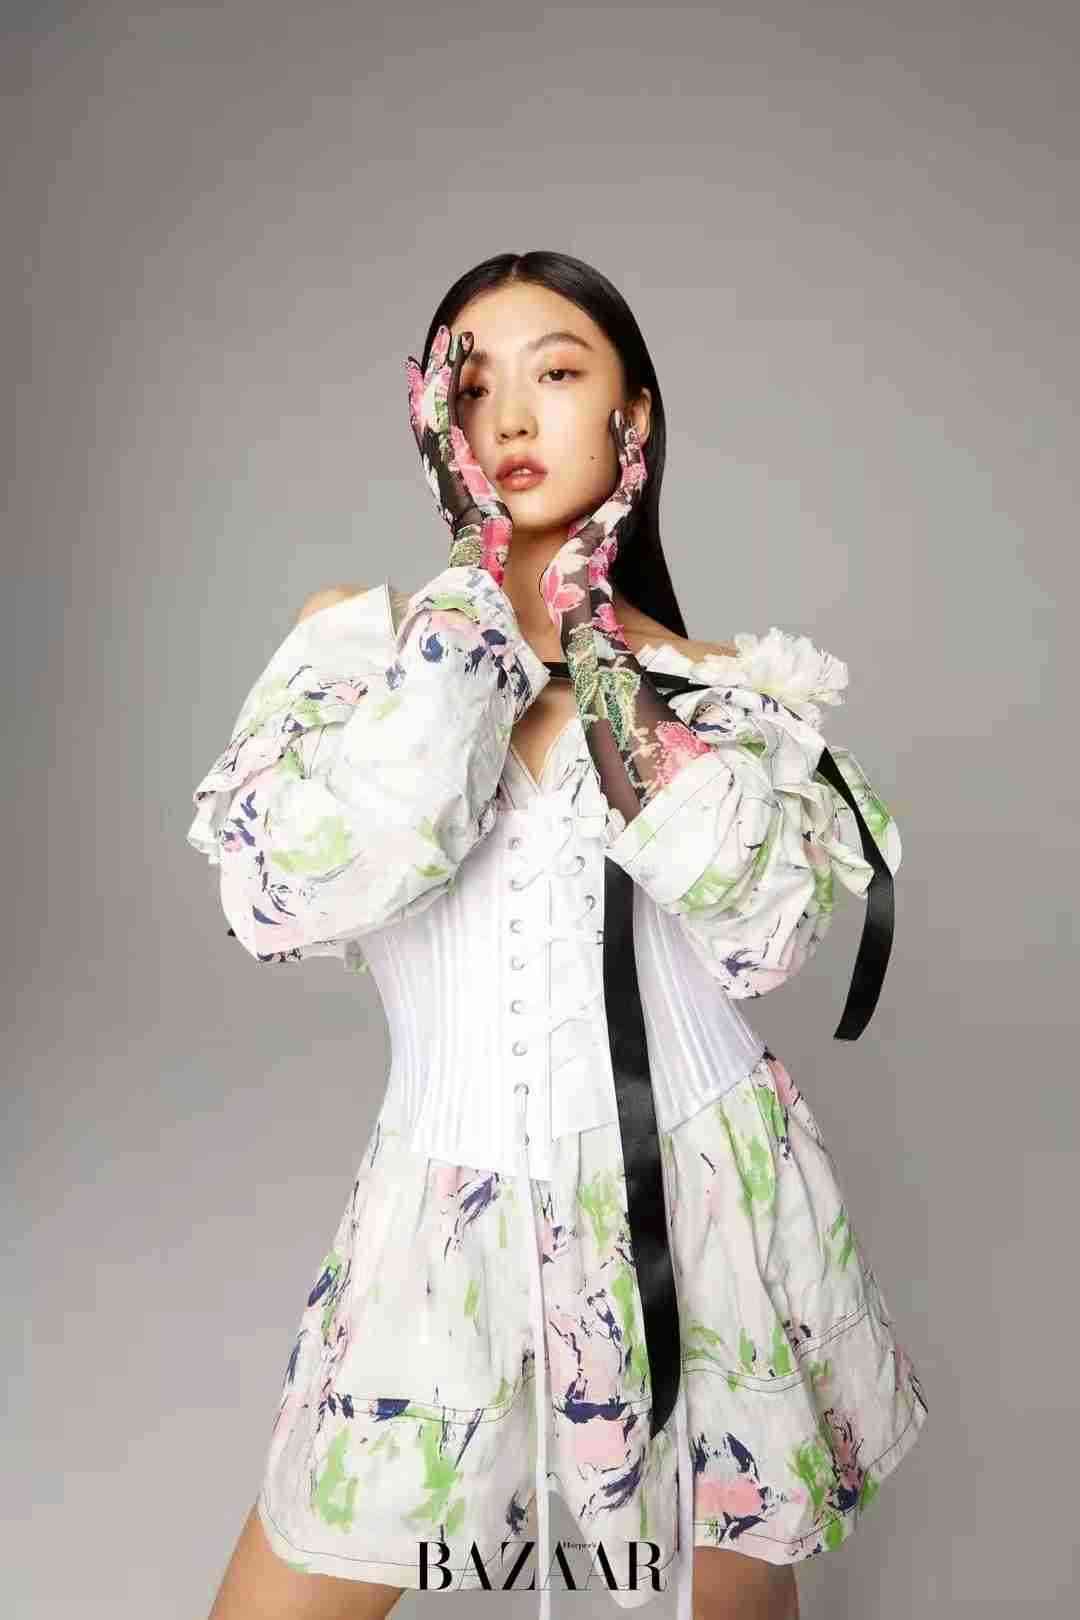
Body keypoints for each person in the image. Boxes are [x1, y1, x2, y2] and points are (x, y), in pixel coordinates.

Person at [188, 251, 928, 1620]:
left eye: (560, 373)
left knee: (727, 1601)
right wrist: (479, 595)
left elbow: (765, 934)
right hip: (441, 1217)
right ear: (433, 425)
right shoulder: (364, 655)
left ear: (633, 419)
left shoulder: (718, 692)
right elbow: (294, 890)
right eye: (471, 389)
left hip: (702, 1205)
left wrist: (596, 648)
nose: (513, 418)